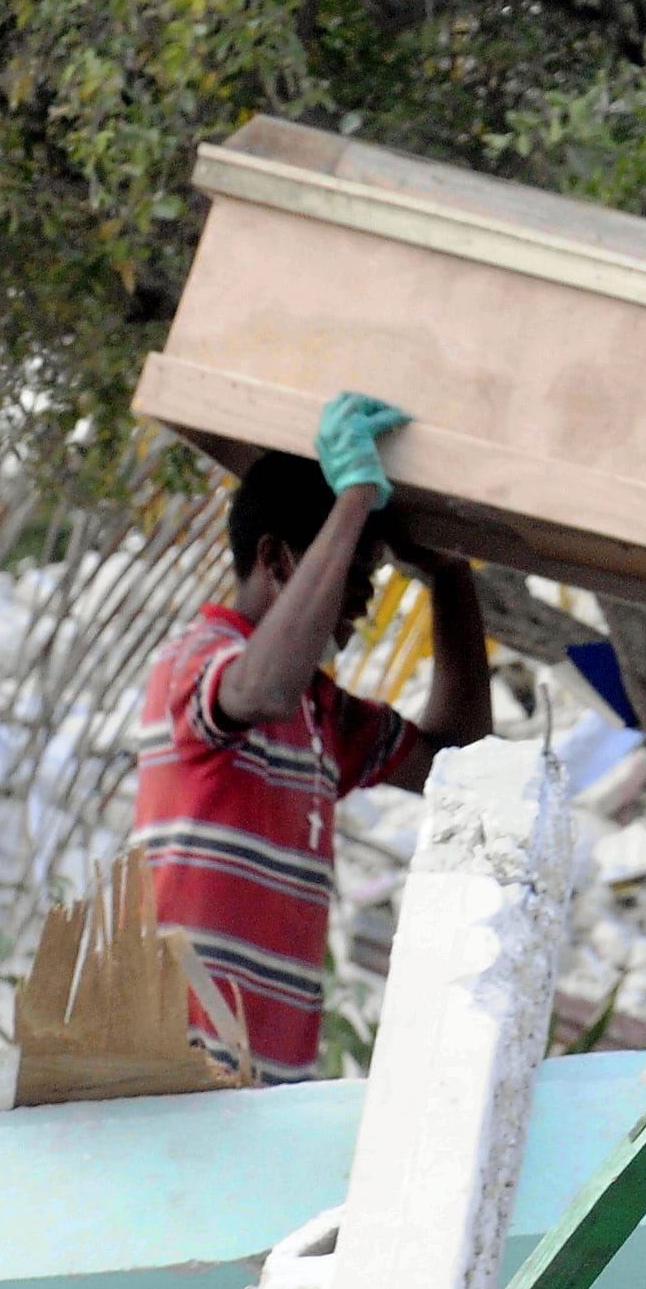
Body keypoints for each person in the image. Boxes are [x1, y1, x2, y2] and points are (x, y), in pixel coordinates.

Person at [134, 392, 492, 1081]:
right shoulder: (195, 659)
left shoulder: (322, 711)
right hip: (174, 1072)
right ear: (277, 559)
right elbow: (258, 690)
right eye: (357, 568)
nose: (365, 597)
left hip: (266, 1083)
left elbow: (460, 768)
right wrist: (354, 497)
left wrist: (449, 577)